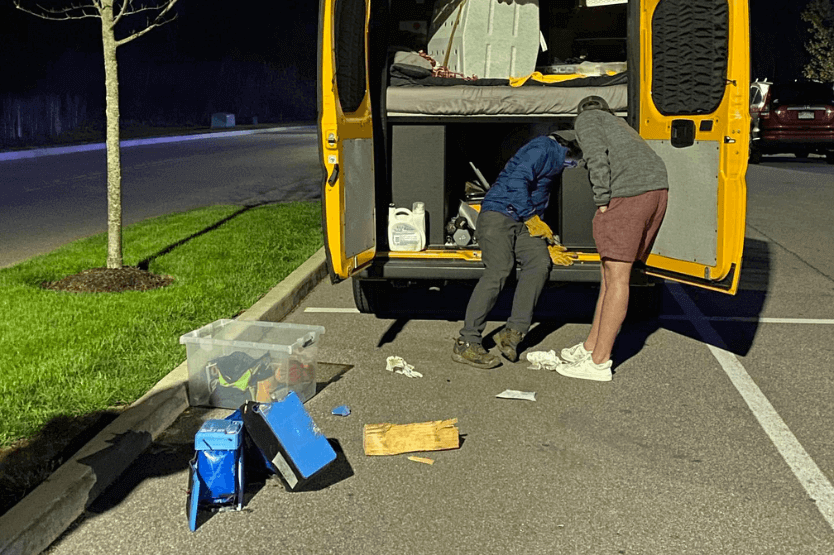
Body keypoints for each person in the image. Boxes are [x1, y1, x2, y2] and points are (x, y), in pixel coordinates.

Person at [556, 96, 669, 382]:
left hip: (629, 193)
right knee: (609, 274)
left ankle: (598, 363)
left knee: (617, 277)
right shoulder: (620, 125)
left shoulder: (587, 120)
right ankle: (590, 347)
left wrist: (601, 199)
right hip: (656, 191)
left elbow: (595, 156)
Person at [453, 133, 578, 369]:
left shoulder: (555, 157)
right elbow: (517, 180)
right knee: (499, 269)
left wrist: (548, 242)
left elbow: (538, 198)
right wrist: (532, 219)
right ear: (569, 145)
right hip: (498, 215)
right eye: (575, 159)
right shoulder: (543, 148)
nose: (575, 165)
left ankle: (512, 333)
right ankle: (467, 342)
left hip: (523, 222)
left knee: (539, 264)